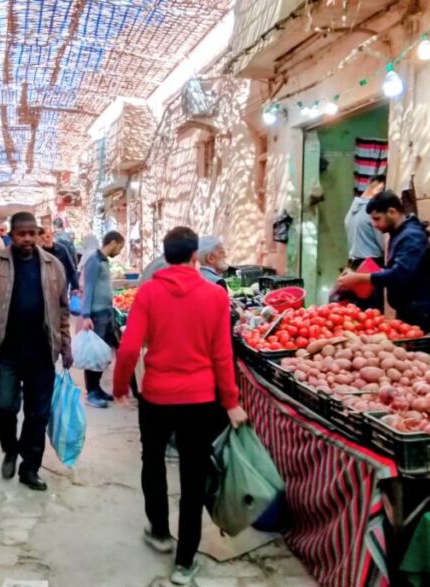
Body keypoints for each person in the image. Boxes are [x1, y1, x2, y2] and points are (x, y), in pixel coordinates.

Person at [112, 226, 249, 586]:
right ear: (195, 258)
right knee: (193, 476)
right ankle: (184, 562)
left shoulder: (148, 292)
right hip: (200, 400)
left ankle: (158, 530)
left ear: (165, 255)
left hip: (156, 396)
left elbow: (128, 348)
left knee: (152, 461)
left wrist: (121, 386)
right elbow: (222, 354)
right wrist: (231, 401)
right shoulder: (214, 296)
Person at [0, 212, 73, 491]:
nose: (28, 239)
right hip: (7, 351)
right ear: (11, 234)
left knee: (38, 414)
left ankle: (29, 468)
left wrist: (66, 343)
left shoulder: (53, 266)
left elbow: (63, 309)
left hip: (42, 352)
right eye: (22, 234)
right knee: (4, 407)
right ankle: (10, 448)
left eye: (33, 233)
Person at [336, 191, 430, 360]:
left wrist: (359, 279)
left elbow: (399, 274)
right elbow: (393, 270)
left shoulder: (412, 237)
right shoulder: (399, 234)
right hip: (409, 311)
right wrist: (359, 275)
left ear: (392, 212)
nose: (374, 224)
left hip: (424, 312)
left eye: (377, 218)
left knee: (423, 366)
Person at [79, 230, 127, 408]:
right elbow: (89, 288)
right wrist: (86, 316)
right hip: (96, 315)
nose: (119, 252)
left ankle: (97, 387)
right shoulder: (94, 261)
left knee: (103, 353)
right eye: (120, 247)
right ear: (113, 243)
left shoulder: (104, 261)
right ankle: (91, 393)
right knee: (94, 354)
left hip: (107, 313)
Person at [338, 175, 387, 310]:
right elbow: (384, 245)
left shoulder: (352, 210)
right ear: (380, 189)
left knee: (357, 310)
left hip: (353, 264)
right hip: (371, 267)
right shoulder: (372, 213)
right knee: (372, 312)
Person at [39, 226, 79, 292]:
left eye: (48, 237)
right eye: (43, 238)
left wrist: (75, 287)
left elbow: (71, 268)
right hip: (45, 288)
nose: (46, 240)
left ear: (52, 236)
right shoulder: (39, 251)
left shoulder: (62, 249)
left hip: (61, 286)